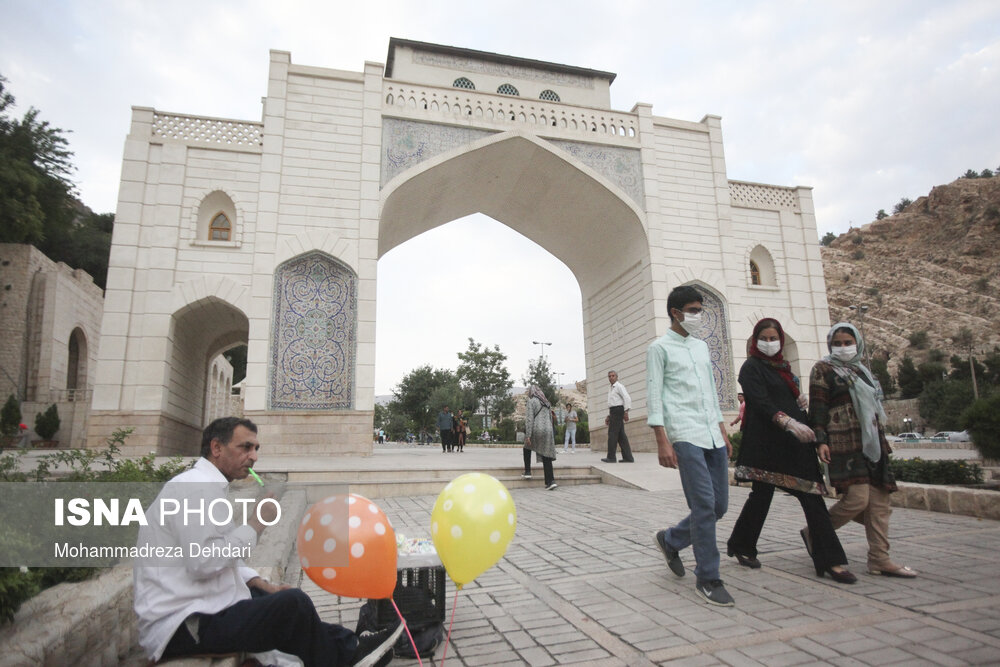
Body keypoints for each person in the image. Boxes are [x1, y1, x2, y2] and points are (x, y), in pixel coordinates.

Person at [133, 417, 401, 666]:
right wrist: (256, 524)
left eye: (256, 448)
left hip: (204, 607)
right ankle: (348, 655)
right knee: (293, 605)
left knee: (280, 599)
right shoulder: (196, 490)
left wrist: (263, 585)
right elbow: (204, 562)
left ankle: (352, 645)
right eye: (245, 447)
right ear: (216, 448)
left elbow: (221, 556)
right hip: (183, 625)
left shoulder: (205, 486)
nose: (254, 457)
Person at [726, 318, 856, 584]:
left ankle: (830, 559)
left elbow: (785, 396)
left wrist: (797, 403)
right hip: (767, 442)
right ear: (755, 340)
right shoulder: (750, 367)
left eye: (775, 338)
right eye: (765, 338)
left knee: (812, 496)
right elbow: (759, 401)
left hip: (794, 443)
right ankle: (742, 545)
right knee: (761, 496)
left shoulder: (783, 368)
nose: (770, 343)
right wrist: (785, 420)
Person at [647, 285, 735, 607]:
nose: (699, 316)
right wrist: (662, 440)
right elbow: (655, 394)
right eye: (694, 310)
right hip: (683, 433)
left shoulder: (701, 348)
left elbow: (711, 393)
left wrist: (723, 432)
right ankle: (708, 578)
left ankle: (670, 540)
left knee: (718, 507)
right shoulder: (659, 348)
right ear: (676, 312)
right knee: (703, 506)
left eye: (700, 310)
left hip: (711, 432)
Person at [808, 323, 918, 578]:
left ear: (857, 343)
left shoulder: (863, 372)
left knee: (880, 503)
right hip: (844, 443)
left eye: (849, 342)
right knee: (858, 499)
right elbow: (818, 407)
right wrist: (821, 440)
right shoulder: (823, 369)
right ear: (830, 345)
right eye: (839, 343)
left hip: (872, 443)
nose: (844, 347)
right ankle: (817, 531)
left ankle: (880, 559)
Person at [523, 385, 558, 490]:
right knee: (546, 455)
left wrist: (528, 435)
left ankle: (528, 471)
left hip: (537, 430)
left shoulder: (531, 401)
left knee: (526, 447)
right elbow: (550, 418)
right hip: (548, 430)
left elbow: (529, 419)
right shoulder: (546, 402)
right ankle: (550, 481)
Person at [602, 370, 634, 463]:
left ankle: (611, 457)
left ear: (617, 377)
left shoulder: (619, 386)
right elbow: (613, 403)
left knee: (612, 434)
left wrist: (626, 411)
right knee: (621, 436)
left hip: (618, 410)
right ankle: (628, 457)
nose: (611, 377)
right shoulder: (611, 388)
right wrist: (609, 416)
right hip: (613, 411)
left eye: (613, 376)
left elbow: (627, 398)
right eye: (609, 376)